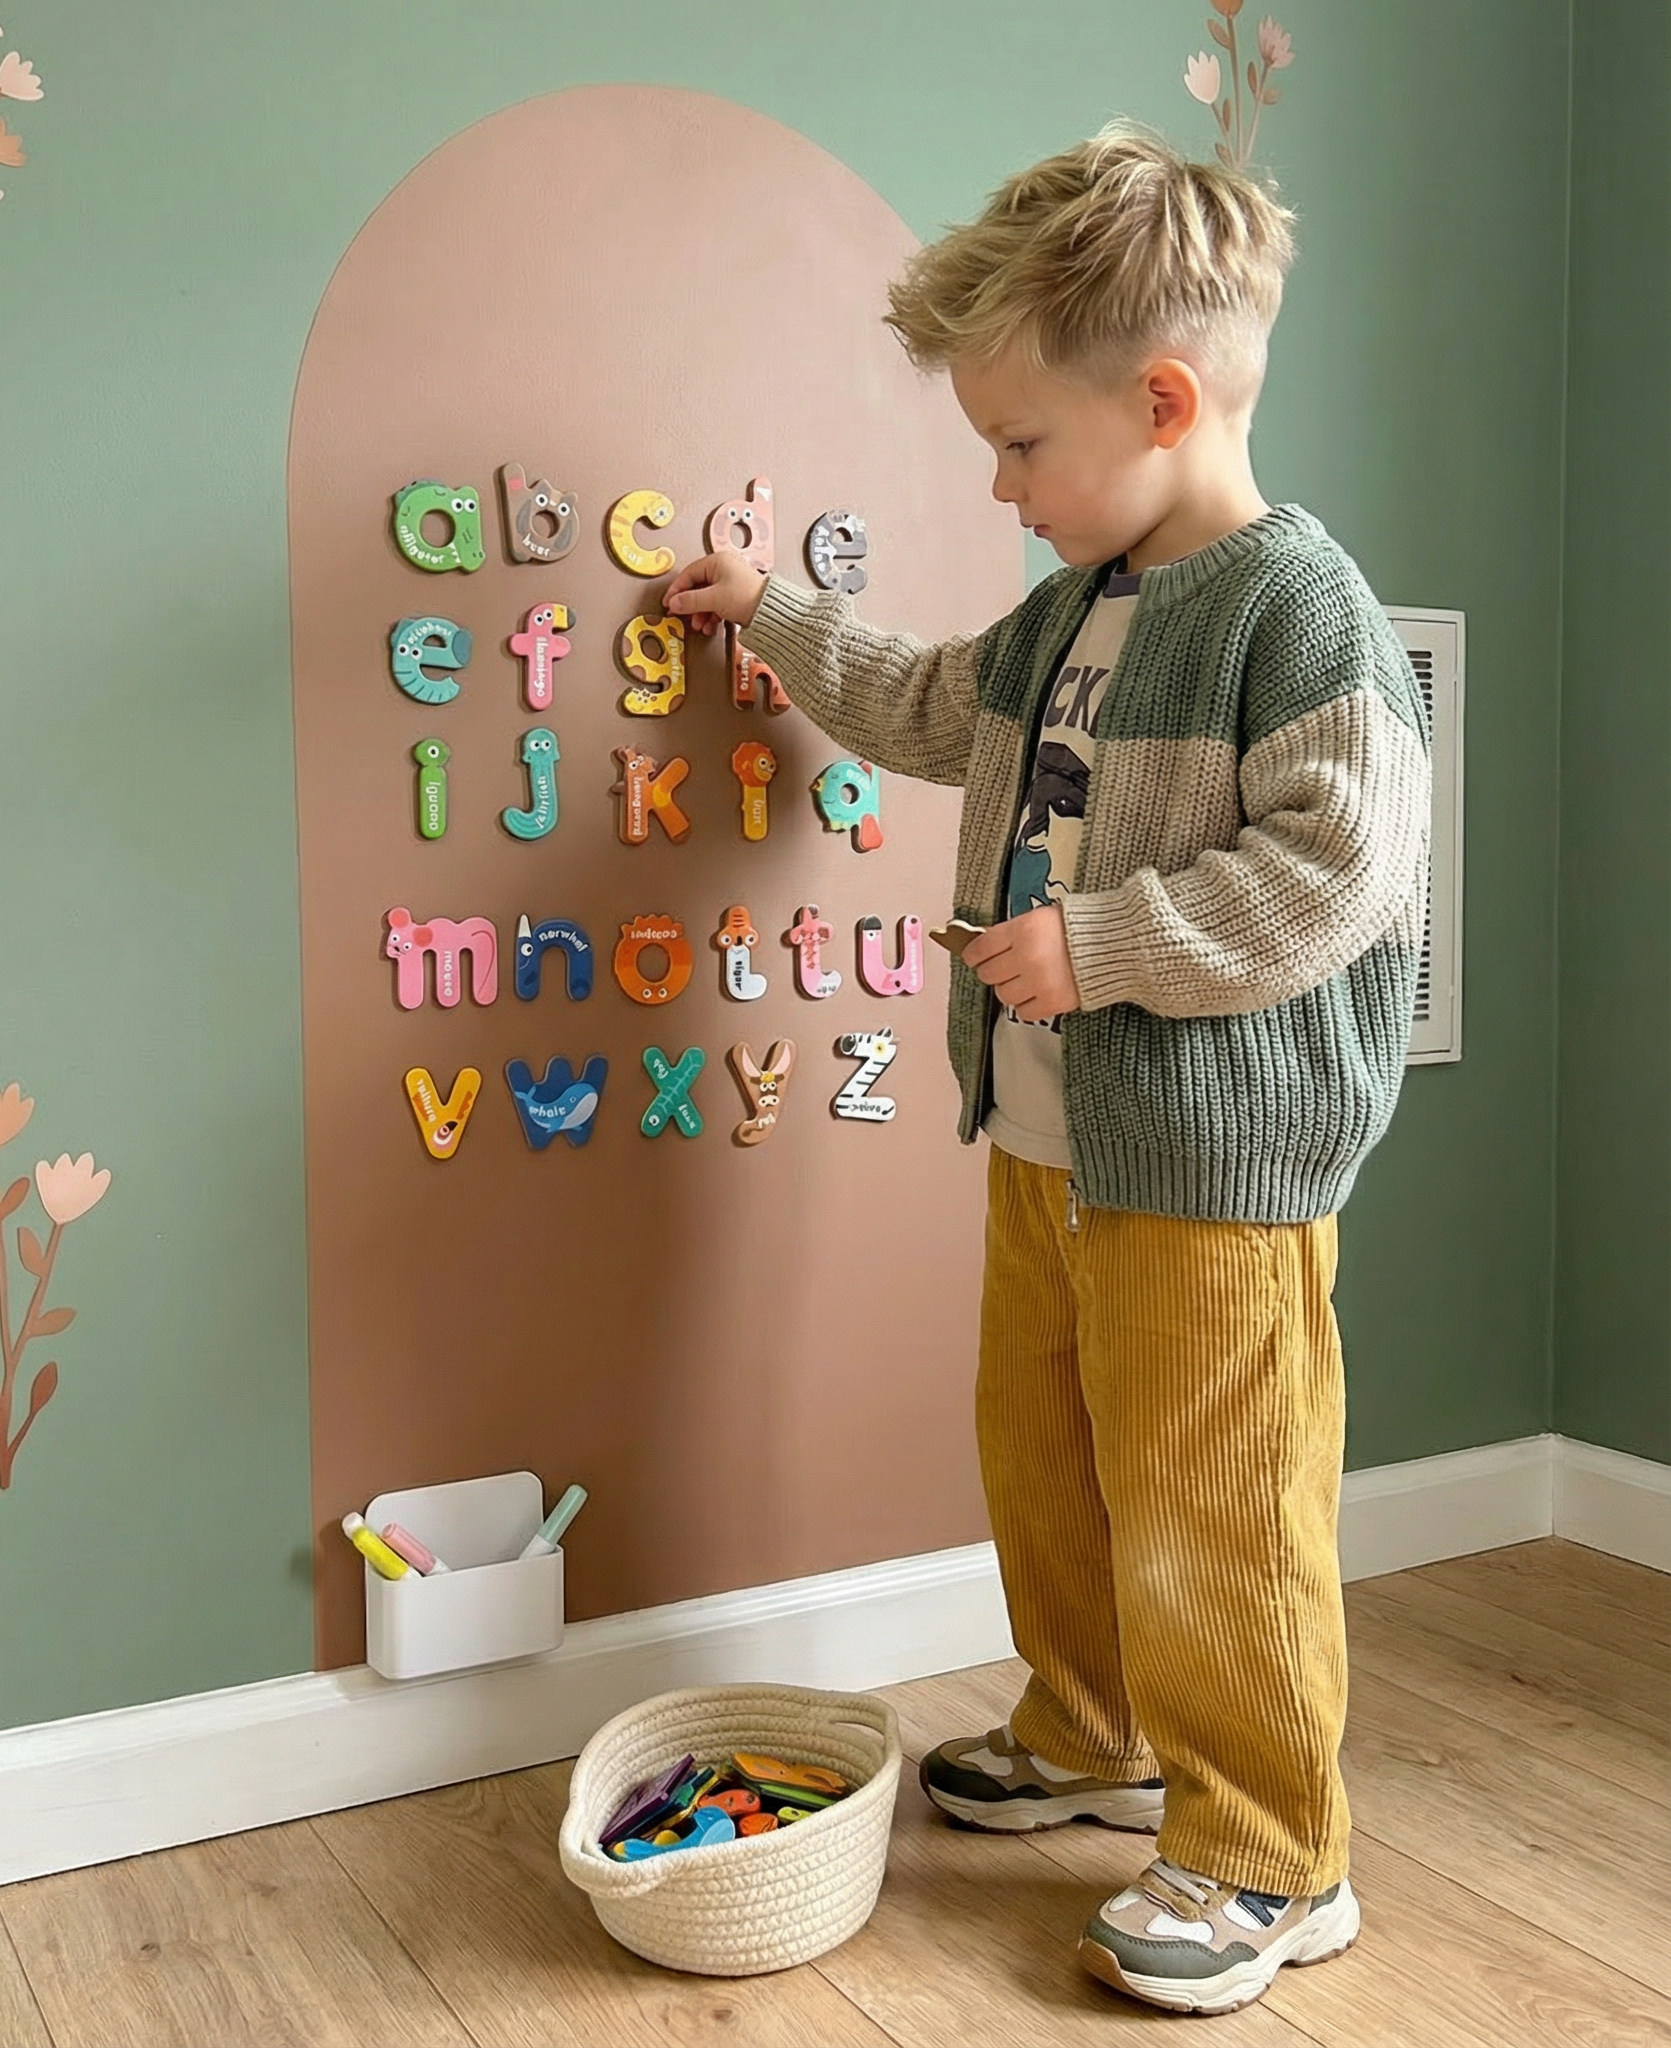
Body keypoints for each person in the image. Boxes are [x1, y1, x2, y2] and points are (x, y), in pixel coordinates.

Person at [663, 125, 1430, 2018]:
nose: (999, 488)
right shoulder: (1075, 608)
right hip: (1044, 1142)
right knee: (1053, 1460)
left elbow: (1337, 869)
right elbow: (929, 703)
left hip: (1215, 1171)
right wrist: (771, 616)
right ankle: (1093, 1730)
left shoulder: (1296, 610)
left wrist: (1103, 944)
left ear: (1163, 402)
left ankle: (1272, 1853)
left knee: (1217, 1506)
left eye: (1019, 445)